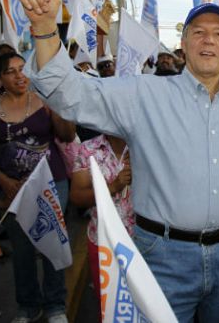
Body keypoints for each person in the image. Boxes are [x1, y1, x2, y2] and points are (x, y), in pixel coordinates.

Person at [17, 0, 219, 322]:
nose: (209, 41)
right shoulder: (143, 94)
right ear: (184, 43)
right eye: (199, 32)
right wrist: (43, 29)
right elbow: (71, 97)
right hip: (163, 256)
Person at [0, 53, 76, 323]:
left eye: (23, 69)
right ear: (0, 78)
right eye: (11, 71)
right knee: (22, 250)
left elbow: (66, 135)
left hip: (52, 183)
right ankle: (28, 307)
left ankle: (55, 306)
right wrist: (5, 182)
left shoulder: (43, 100)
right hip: (13, 191)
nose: (20, 76)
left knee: (51, 241)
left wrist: (57, 110)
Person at [69, 132, 133, 309]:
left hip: (144, 244)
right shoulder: (89, 149)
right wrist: (113, 186)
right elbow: (77, 196)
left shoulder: (147, 145)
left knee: (144, 306)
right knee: (109, 307)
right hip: (103, 242)